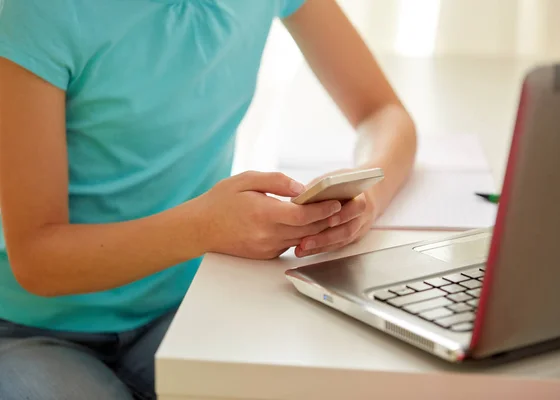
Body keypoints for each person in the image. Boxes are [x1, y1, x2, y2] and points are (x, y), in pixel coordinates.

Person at [0, 0, 416, 398]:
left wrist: (367, 199)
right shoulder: (40, 10)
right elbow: (37, 260)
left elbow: (383, 112)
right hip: (34, 329)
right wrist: (204, 227)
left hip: (186, 305)